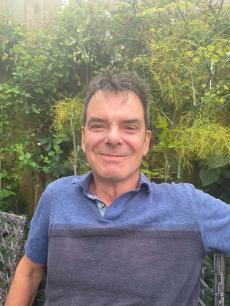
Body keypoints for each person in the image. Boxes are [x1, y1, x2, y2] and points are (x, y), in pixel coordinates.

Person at [5, 72, 230, 306]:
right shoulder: (56, 196)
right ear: (84, 138)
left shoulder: (188, 206)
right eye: (98, 125)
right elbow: (30, 271)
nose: (113, 138)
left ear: (146, 142)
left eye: (129, 127)